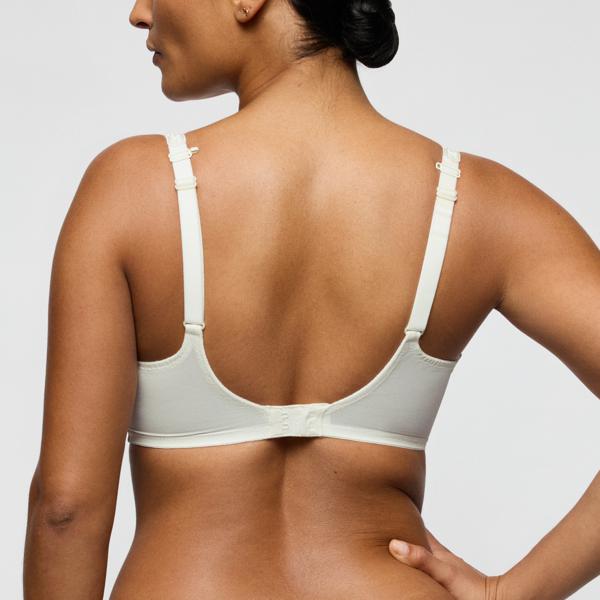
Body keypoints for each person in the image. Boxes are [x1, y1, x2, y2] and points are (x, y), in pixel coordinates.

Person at [22, 0, 600, 598]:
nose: (139, 13)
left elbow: (66, 511)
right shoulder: (480, 204)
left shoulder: (131, 190)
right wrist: (510, 593)